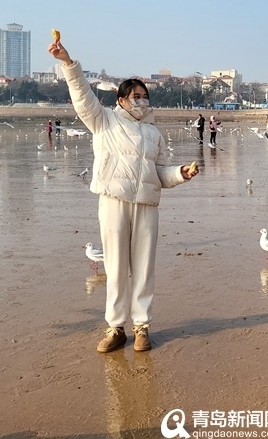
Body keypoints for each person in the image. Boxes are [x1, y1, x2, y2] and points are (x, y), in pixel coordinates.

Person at [48, 33, 199, 353]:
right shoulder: (104, 121)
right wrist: (68, 63)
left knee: (144, 267)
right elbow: (82, 96)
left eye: (144, 96)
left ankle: (142, 327)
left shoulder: (154, 133)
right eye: (134, 96)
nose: (140, 100)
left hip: (146, 205)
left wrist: (180, 174)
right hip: (114, 201)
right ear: (120, 100)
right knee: (115, 267)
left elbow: (159, 172)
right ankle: (115, 328)